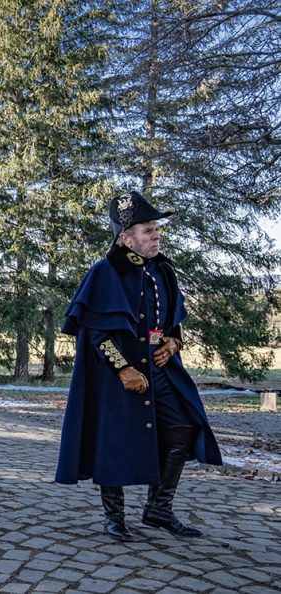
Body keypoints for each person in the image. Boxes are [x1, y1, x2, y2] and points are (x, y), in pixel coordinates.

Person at [56, 190, 222, 541]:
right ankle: (114, 516)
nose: (156, 235)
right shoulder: (105, 272)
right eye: (148, 230)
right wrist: (123, 368)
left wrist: (174, 343)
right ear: (126, 238)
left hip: (160, 369)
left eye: (156, 229)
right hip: (116, 374)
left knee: (182, 427)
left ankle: (159, 509)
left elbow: (172, 320)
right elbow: (96, 331)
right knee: (112, 437)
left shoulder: (163, 270)